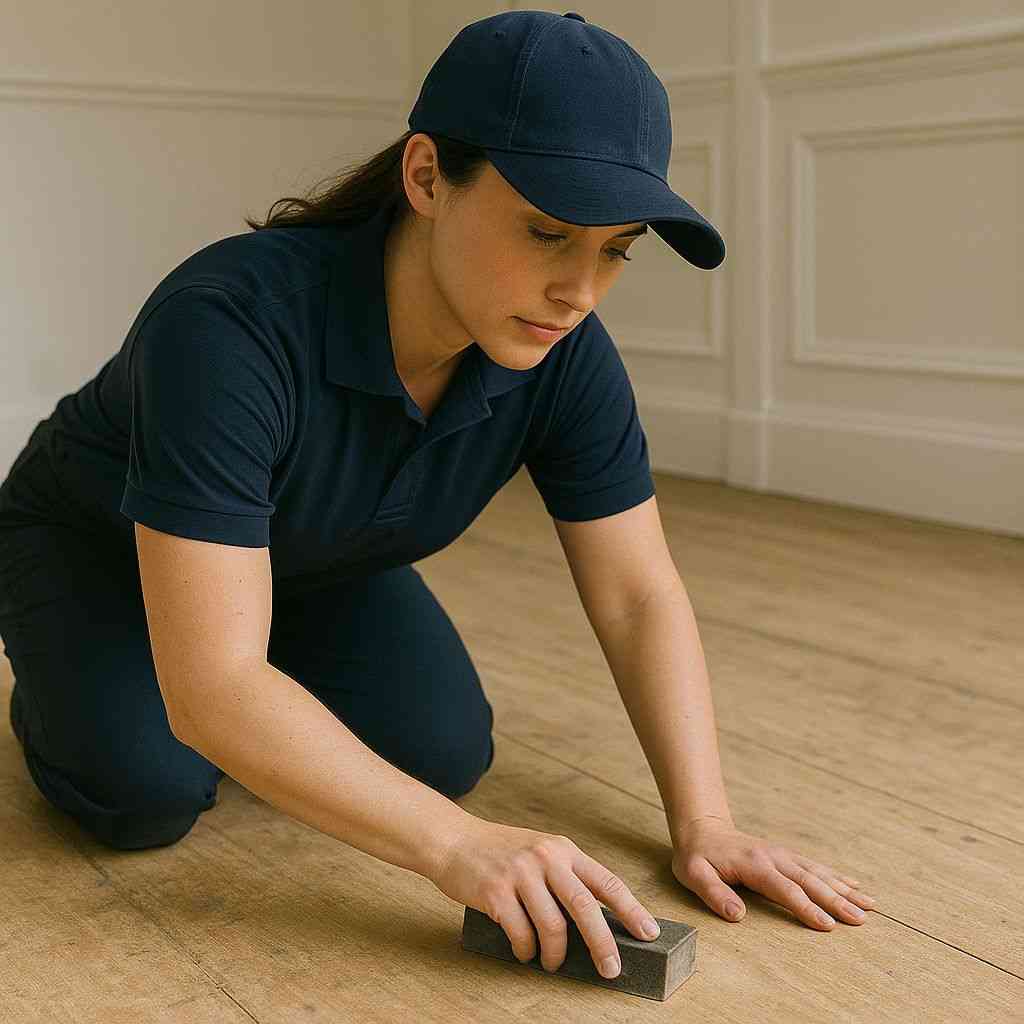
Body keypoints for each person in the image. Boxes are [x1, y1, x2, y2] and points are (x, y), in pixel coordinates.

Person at [0, 10, 873, 985]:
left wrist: (705, 820)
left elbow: (637, 594)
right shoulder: (225, 325)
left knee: (444, 750)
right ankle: (62, 677)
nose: (578, 290)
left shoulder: (562, 348)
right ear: (424, 176)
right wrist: (457, 848)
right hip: (91, 544)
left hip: (301, 558)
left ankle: (244, 662)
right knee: (147, 787)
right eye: (547, 232)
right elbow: (213, 690)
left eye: (616, 249)